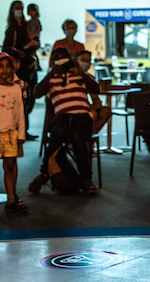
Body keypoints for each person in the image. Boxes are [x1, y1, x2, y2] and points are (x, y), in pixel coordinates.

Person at [28, 47, 99, 194]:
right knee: (62, 129)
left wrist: (81, 72)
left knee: (76, 134)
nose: (61, 60)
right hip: (62, 117)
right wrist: (50, 74)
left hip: (82, 116)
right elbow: (36, 93)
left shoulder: (80, 75)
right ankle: (86, 180)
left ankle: (45, 174)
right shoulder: (51, 79)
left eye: (64, 57)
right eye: (57, 58)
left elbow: (96, 88)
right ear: (53, 61)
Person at [3, 1, 39, 140]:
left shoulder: (26, 26)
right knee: (20, 99)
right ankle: (18, 129)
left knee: (29, 98)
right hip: (19, 69)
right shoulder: (12, 29)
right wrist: (25, 47)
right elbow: (7, 49)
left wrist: (33, 44)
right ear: (12, 10)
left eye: (21, 8)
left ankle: (24, 129)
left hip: (30, 67)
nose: (20, 10)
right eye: (17, 8)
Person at [0, 52, 28, 212]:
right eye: (1, 67)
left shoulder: (17, 89)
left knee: (9, 165)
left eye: (7, 66)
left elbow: (20, 114)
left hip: (11, 134)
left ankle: (11, 199)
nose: (4, 70)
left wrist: (22, 134)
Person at [77, 50, 112, 134]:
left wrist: (95, 104)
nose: (86, 63)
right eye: (83, 60)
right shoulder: (73, 77)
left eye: (88, 60)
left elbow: (95, 97)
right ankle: (86, 138)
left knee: (105, 112)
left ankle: (90, 135)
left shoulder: (89, 78)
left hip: (87, 107)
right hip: (77, 108)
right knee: (92, 114)